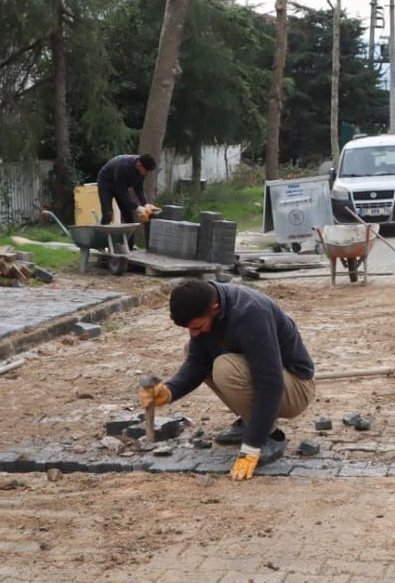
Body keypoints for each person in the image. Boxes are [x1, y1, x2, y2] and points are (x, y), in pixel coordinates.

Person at [139, 279, 316, 480]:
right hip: (271, 382)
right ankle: (251, 422)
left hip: (295, 387)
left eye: (197, 326)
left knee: (225, 368)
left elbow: (270, 383)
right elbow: (197, 362)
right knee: (195, 350)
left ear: (214, 308)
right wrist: (169, 391)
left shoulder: (251, 314)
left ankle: (271, 436)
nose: (194, 333)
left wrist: (252, 446)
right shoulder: (209, 304)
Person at [96, 153, 158, 229]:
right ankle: (103, 238)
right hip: (106, 183)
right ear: (139, 165)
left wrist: (145, 204)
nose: (146, 173)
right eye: (146, 171)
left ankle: (130, 240)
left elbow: (139, 188)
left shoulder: (142, 170)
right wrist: (136, 207)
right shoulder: (123, 167)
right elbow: (121, 191)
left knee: (129, 216)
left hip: (120, 185)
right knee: (108, 214)